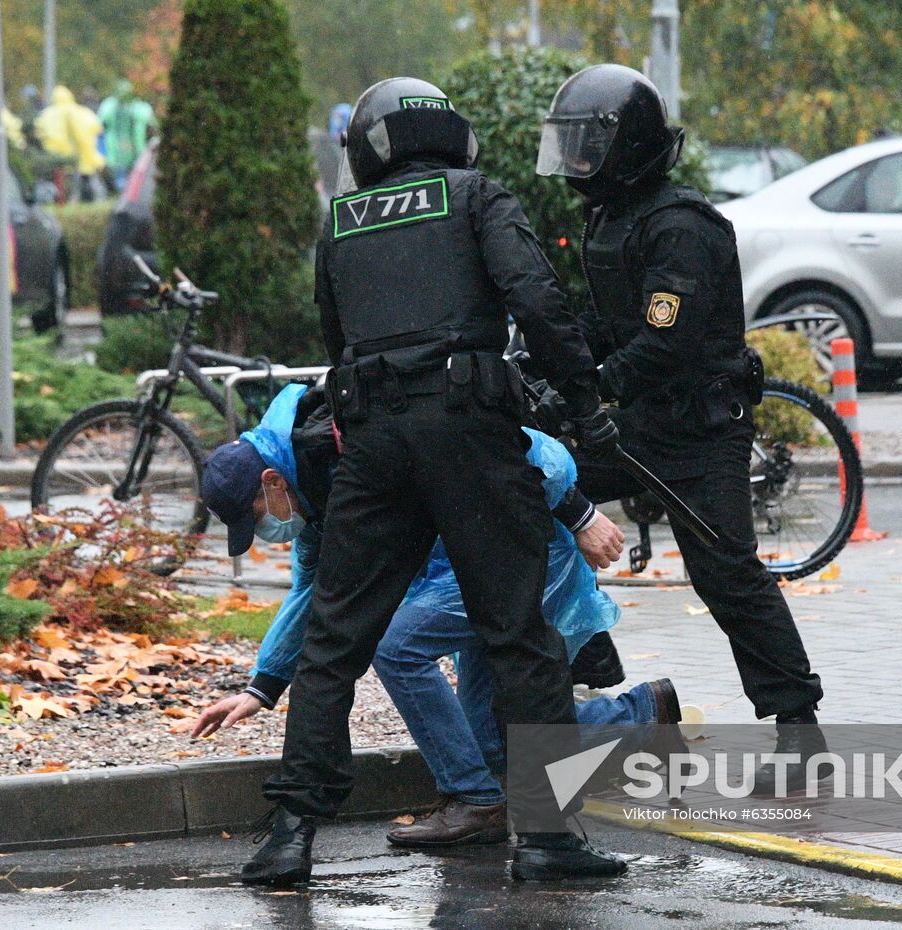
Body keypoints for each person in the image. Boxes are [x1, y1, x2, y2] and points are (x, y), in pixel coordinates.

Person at [240, 76, 626, 886]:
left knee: (335, 644)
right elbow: (536, 299)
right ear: (451, 133)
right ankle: (550, 841)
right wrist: (587, 405)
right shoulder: (477, 195)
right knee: (518, 636)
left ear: (369, 145)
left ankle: (290, 835)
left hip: (374, 447)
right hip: (471, 435)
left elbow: (336, 338)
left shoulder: (341, 220)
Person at [194, 385, 682, 847]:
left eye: (256, 516)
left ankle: (472, 800)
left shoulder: (347, 443)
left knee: (397, 646)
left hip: (517, 544)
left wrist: (580, 515)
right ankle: (646, 714)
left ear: (272, 481)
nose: (263, 531)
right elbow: (311, 592)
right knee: (487, 739)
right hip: (463, 563)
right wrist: (263, 686)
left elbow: (516, 444)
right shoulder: (311, 496)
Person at [535, 64, 825, 797]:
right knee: (534, 491)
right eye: (565, 146)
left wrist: (593, 385)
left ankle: (800, 728)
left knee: (726, 571)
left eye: (584, 146)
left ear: (622, 146)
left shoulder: (682, 227)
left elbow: (668, 342)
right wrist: (549, 358)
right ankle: (589, 658)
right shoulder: (610, 218)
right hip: (637, 426)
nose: (573, 163)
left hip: (698, 432)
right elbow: (609, 322)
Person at [34, 85, 106, 202]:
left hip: (52, 159)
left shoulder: (45, 115)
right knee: (87, 186)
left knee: (59, 188)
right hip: (79, 158)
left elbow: (37, 133)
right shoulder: (81, 112)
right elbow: (96, 130)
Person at [98, 80, 157, 191]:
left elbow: (99, 127)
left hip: (124, 150)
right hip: (124, 150)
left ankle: (124, 194)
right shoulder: (141, 107)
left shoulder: (109, 106)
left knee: (125, 175)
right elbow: (152, 129)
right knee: (130, 175)